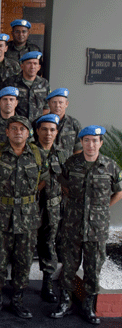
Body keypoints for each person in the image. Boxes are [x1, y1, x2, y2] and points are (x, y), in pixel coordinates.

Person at [51, 125, 122, 325]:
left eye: (95, 140)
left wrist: (103, 209)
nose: (91, 144)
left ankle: (88, 306)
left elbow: (118, 191)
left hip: (96, 229)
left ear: (101, 143)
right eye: (87, 140)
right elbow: (63, 185)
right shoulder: (71, 163)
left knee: (93, 268)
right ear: (81, 142)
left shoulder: (110, 165)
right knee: (69, 266)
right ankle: (65, 302)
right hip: (72, 225)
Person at [0, 115, 49, 319]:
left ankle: (17, 300)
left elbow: (43, 180)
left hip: (27, 217)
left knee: (24, 259)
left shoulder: (37, 155)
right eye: (14, 128)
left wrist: (27, 198)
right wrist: (4, 197)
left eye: (22, 129)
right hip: (2, 214)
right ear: (7, 132)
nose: (18, 132)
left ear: (28, 133)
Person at [33, 114, 65, 304]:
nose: (48, 133)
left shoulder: (62, 154)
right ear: (37, 131)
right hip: (31, 207)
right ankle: (16, 286)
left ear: (57, 132)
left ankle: (47, 285)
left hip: (53, 209)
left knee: (48, 245)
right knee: (25, 245)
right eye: (44, 129)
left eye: (52, 130)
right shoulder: (29, 151)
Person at [4, 51, 49, 122]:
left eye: (35, 63)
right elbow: (4, 105)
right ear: (22, 66)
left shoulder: (44, 83)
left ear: (39, 67)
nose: (32, 67)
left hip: (37, 125)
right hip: (17, 125)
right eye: (29, 63)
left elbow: (47, 107)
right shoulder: (11, 82)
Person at [45, 88, 82, 157]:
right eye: (54, 102)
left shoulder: (74, 123)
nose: (57, 106)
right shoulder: (40, 123)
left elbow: (79, 148)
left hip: (68, 165)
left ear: (66, 104)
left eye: (60, 102)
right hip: (47, 165)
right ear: (48, 104)